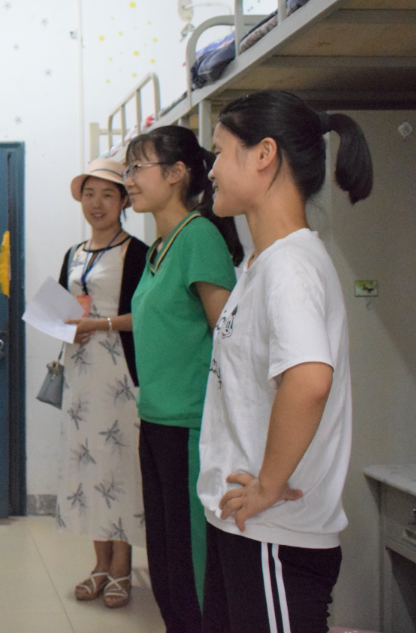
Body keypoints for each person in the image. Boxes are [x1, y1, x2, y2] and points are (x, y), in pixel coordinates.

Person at [199, 91, 371, 632]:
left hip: (275, 532)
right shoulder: (263, 263)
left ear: (264, 154)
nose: (211, 170)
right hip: (246, 525)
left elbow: (309, 381)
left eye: (220, 151)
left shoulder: (290, 267)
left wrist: (269, 485)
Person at [125, 126, 244, 633]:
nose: (129, 180)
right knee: (165, 565)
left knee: (190, 568)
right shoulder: (160, 247)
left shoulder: (198, 237)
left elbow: (230, 340)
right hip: (155, 421)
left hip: (192, 425)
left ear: (176, 174)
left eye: (138, 168)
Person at [56, 158, 148, 609]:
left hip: (121, 375)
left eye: (108, 194)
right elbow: (60, 310)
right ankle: (99, 564)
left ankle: (122, 567)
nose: (97, 203)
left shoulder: (139, 252)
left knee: (121, 466)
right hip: (80, 375)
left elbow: (147, 315)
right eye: (89, 194)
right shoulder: (74, 254)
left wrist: (101, 324)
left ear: (124, 201)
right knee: (88, 466)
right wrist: (63, 326)